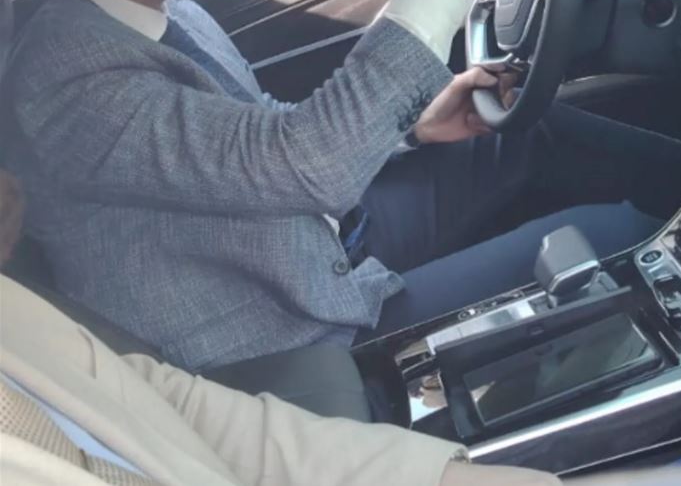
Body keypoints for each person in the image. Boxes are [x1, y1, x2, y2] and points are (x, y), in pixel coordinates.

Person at [0, 0, 660, 371]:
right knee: (616, 236)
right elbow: (305, 165)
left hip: (318, 239)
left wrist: (411, 127)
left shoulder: (144, 0)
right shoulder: (62, 81)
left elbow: (256, 129)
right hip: (291, 329)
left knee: (532, 131)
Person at [0, 168, 563, 486]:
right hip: (298, 308)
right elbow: (295, 158)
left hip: (327, 255)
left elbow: (175, 406)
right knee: (585, 225)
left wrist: (441, 478)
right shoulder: (77, 67)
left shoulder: (13, 315)